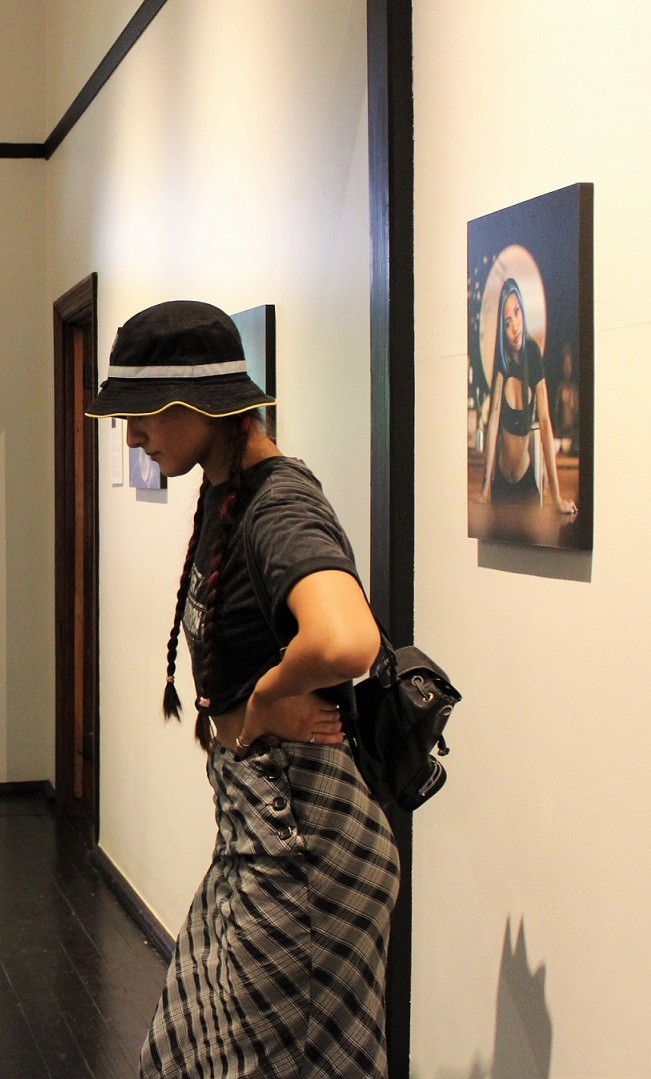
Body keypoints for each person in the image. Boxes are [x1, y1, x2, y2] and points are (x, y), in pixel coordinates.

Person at [86, 300, 400, 1078]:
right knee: (186, 1044)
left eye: (144, 415)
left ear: (203, 406)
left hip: (305, 845)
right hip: (260, 832)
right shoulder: (229, 490)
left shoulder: (279, 501)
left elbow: (347, 638)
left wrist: (264, 697)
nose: (132, 435)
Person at [478, 279, 576, 514]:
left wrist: (557, 498)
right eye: (507, 322)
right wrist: (484, 489)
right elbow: (492, 422)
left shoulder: (532, 355)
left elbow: (544, 421)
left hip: (526, 484)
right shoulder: (502, 362)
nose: (515, 327)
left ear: (522, 309)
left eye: (517, 312)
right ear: (502, 329)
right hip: (500, 484)